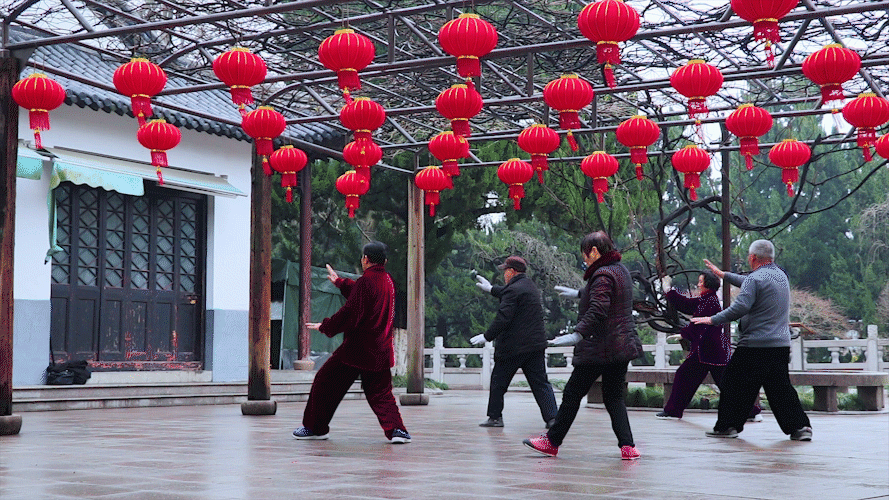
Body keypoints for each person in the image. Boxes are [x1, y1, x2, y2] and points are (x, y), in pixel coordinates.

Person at [523, 232, 643, 460]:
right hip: (621, 346)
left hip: (599, 348)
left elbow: (598, 309)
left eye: (585, 255)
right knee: (614, 397)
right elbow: (608, 296)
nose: (584, 259)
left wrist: (577, 335)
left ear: (595, 251)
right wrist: (580, 293)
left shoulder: (602, 274)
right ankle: (628, 447)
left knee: (572, 394)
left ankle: (551, 442)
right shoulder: (620, 270)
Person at [690, 239, 812, 441]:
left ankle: (727, 426)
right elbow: (751, 283)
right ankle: (800, 428)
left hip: (755, 344)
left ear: (753, 257)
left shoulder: (755, 279)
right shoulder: (781, 276)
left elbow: (740, 307)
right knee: (780, 388)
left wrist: (712, 319)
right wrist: (724, 275)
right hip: (780, 344)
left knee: (733, 383)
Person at [293, 241, 411, 444]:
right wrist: (339, 282)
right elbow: (363, 295)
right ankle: (398, 431)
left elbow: (351, 312)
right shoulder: (387, 281)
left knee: (324, 382)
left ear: (365, 260)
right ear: (385, 261)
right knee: (381, 393)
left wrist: (326, 326)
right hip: (381, 349)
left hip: (358, 349)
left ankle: (315, 428)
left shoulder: (367, 281)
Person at [657, 272, 761, 421]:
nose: (698, 284)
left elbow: (700, 323)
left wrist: (684, 334)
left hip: (708, 351)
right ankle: (751, 411)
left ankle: (673, 411)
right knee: (726, 384)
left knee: (684, 376)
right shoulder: (707, 300)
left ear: (707, 284)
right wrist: (669, 291)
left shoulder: (709, 302)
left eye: (700, 282)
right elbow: (686, 304)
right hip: (712, 351)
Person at [471, 256, 558, 429]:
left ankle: (495, 417)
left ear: (511, 271)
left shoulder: (513, 290)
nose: (504, 274)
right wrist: (491, 289)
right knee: (540, 383)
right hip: (535, 346)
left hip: (513, 348)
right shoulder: (530, 287)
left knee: (498, 382)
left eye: (505, 271)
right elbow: (507, 292)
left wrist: (487, 336)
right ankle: (553, 418)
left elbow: (503, 318)